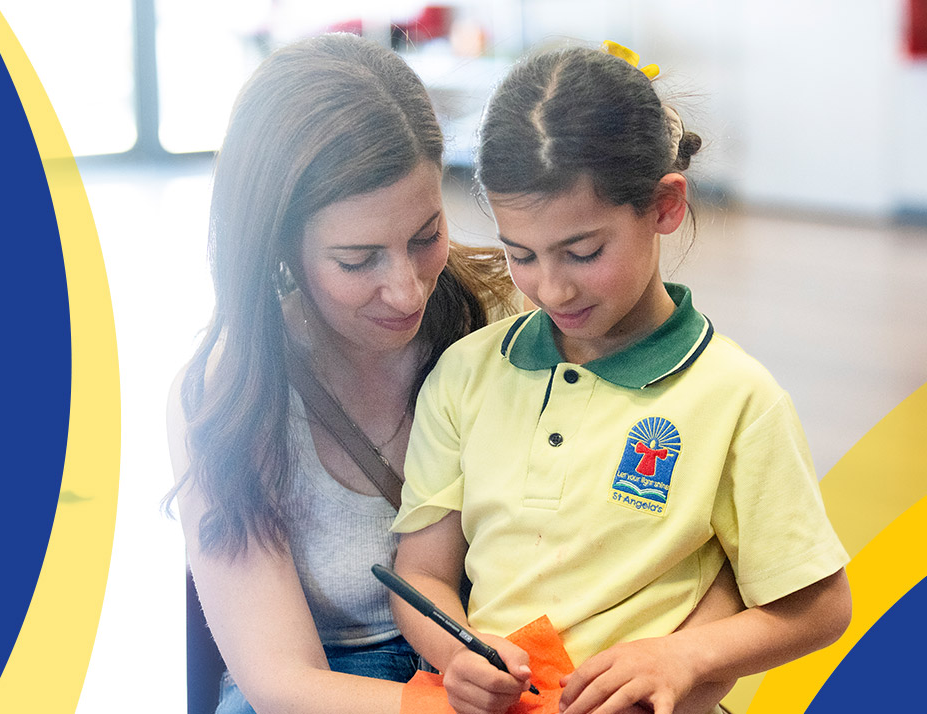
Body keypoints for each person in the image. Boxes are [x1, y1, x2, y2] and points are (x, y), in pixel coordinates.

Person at [390, 43, 853, 714]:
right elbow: (421, 574)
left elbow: (819, 607)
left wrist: (683, 657)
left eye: (583, 252)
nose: (551, 287)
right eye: (521, 254)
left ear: (664, 207)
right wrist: (458, 651)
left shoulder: (737, 399)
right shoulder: (465, 374)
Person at [164, 32, 518, 714]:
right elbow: (280, 681)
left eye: (425, 238)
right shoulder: (225, 392)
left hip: (494, 662)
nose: (408, 291)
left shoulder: (502, 320)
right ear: (279, 246)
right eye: (358, 261)